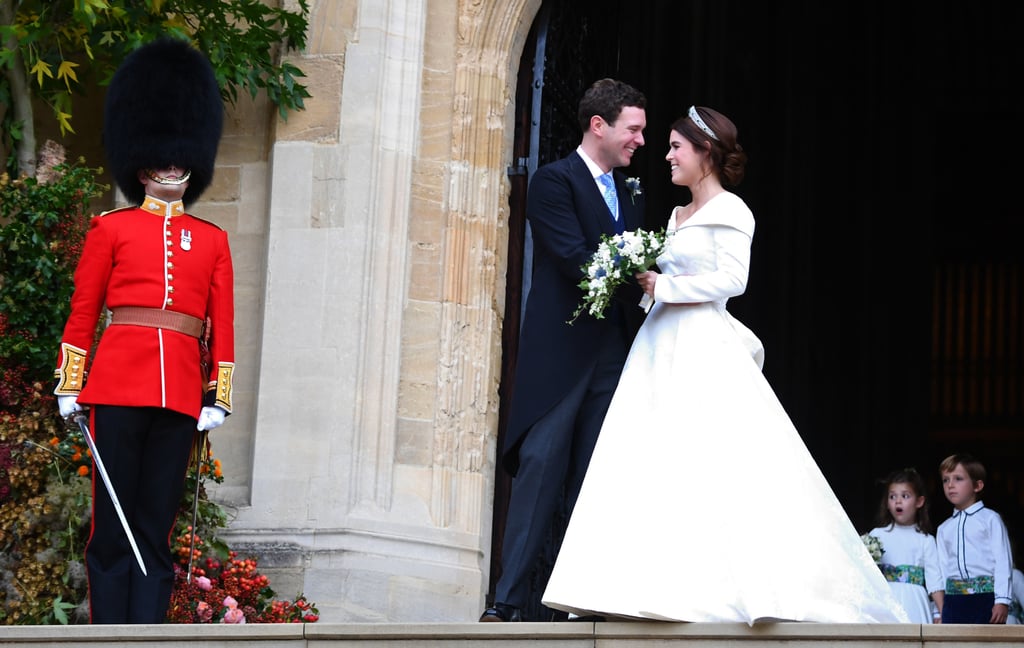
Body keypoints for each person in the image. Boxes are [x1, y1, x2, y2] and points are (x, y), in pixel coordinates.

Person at [540, 105, 907, 624]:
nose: (665, 155)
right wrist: (645, 285)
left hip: (702, 344)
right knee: (650, 457)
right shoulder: (674, 216)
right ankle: (633, 586)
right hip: (659, 343)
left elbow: (734, 280)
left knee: (710, 457)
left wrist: (667, 286)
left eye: (675, 147)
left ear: (704, 152)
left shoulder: (733, 210)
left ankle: (722, 586)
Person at [52, 38, 233, 623]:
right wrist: (69, 379)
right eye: (162, 157)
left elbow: (221, 325)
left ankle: (150, 632)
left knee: (155, 522)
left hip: (181, 393)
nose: (172, 166)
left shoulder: (213, 240)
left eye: (181, 157)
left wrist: (218, 396)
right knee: (114, 524)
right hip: (116, 385)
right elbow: (84, 310)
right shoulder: (111, 230)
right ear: (142, 161)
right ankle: (108, 631)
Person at [480, 78, 648, 622]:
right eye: (634, 129)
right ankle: (506, 601)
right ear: (599, 125)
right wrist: (646, 280)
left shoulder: (632, 193)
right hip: (560, 356)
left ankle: (583, 599)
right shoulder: (553, 181)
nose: (640, 141)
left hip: (613, 354)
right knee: (541, 469)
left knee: (598, 477)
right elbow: (575, 258)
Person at [935, 453, 1013, 624]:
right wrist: (938, 609)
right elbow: (942, 569)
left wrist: (1002, 600)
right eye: (945, 480)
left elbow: (1002, 561)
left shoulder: (990, 519)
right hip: (953, 601)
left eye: (958, 479)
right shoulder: (943, 528)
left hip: (985, 598)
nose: (950, 485)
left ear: (977, 485)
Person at [866, 468, 944, 623]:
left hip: (914, 601)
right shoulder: (877, 535)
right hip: (886, 600)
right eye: (892, 496)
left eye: (905, 496)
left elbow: (934, 578)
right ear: (887, 503)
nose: (898, 501)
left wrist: (942, 612)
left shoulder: (925, 540)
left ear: (919, 502)